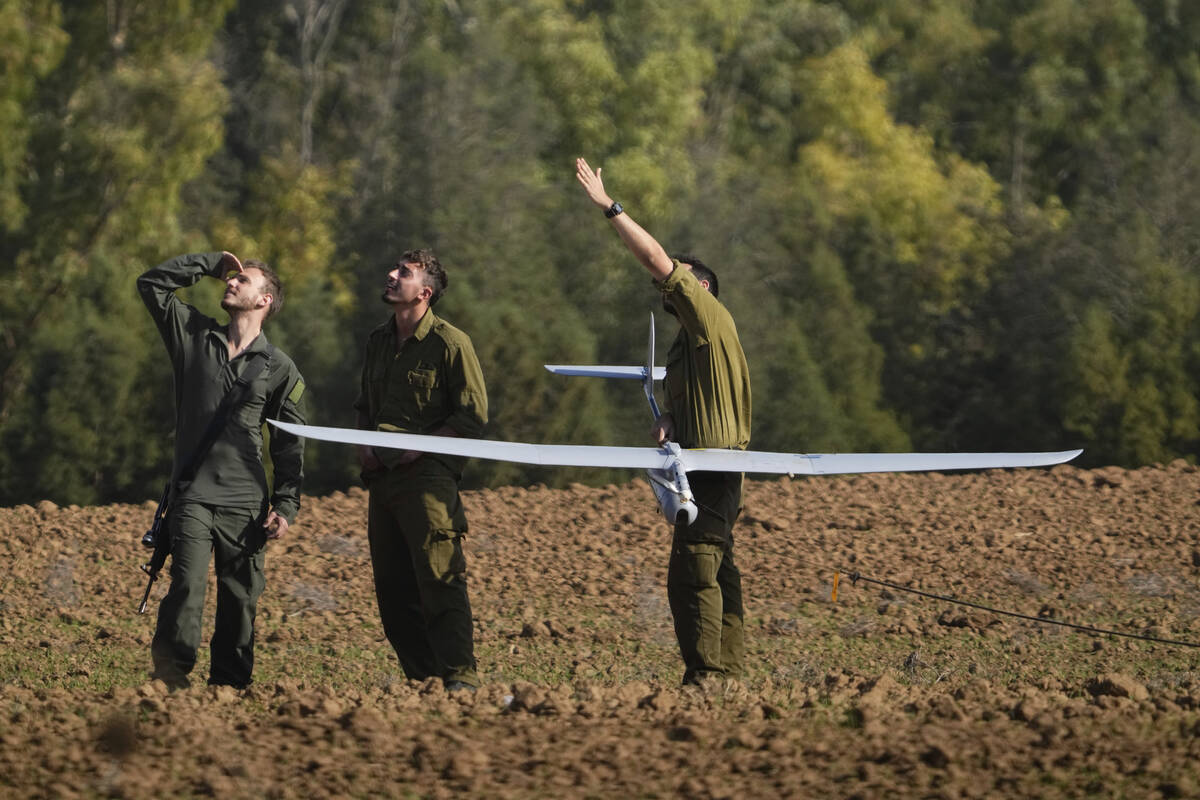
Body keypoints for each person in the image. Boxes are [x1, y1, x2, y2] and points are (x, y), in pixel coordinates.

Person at [575, 158, 752, 686]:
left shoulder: (708, 315)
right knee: (717, 565)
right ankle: (728, 672)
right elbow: (693, 398)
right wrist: (672, 417)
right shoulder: (691, 343)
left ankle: (708, 676)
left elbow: (654, 258)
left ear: (700, 288)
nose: (666, 286)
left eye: (680, 280)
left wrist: (610, 207)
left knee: (694, 568)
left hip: (716, 465)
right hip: (697, 462)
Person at [138, 251, 306, 689]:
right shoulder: (192, 336)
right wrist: (209, 263)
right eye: (229, 278)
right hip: (191, 494)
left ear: (264, 300)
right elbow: (152, 284)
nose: (231, 282)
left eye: (242, 280)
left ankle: (229, 688)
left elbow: (289, 442)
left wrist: (286, 504)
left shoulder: (279, 367)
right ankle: (170, 682)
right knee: (186, 587)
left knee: (240, 598)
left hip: (246, 503)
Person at [354, 248, 488, 691]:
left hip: (428, 482)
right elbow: (363, 408)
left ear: (424, 293)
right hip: (382, 483)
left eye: (404, 273)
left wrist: (421, 448)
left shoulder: (451, 344)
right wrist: (364, 446)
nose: (391, 275)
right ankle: (424, 681)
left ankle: (459, 680)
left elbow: (472, 418)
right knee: (392, 593)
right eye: (394, 268)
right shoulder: (377, 340)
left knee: (439, 581)